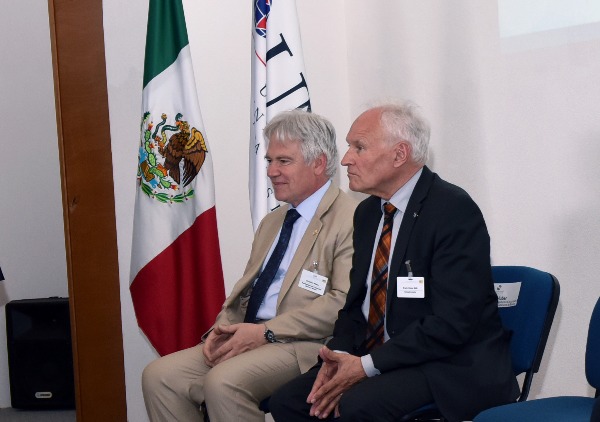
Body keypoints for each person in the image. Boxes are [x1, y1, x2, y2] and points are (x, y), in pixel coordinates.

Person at [270, 101, 520, 422]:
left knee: (356, 405)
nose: (345, 159)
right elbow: (355, 306)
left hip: (446, 365)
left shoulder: (452, 210)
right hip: (381, 357)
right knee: (289, 402)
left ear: (399, 154)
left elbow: (451, 324)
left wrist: (365, 366)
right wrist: (339, 356)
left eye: (359, 147)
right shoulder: (367, 213)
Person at [142, 110, 357, 422]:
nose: (271, 171)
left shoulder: (351, 218)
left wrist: (265, 332)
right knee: (160, 376)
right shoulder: (273, 221)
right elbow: (248, 291)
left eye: (283, 161)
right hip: (251, 334)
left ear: (319, 163)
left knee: (223, 382)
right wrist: (223, 329)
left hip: (303, 344)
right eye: (269, 160)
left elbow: (341, 302)